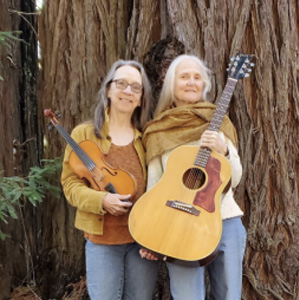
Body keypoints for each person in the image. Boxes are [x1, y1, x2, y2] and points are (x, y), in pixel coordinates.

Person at [140, 54, 247, 300]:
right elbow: (153, 187)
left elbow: (236, 178)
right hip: (178, 224)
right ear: (171, 84)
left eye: (197, 77)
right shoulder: (158, 130)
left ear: (204, 85)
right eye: (184, 76)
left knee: (230, 295)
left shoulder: (218, 121)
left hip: (225, 220)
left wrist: (225, 150)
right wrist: (151, 234)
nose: (191, 82)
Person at [61, 60, 158, 299]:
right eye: (121, 84)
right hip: (102, 241)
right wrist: (101, 200)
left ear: (141, 98)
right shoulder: (84, 134)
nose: (127, 91)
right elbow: (70, 185)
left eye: (136, 87)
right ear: (108, 90)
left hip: (142, 241)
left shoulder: (148, 137)